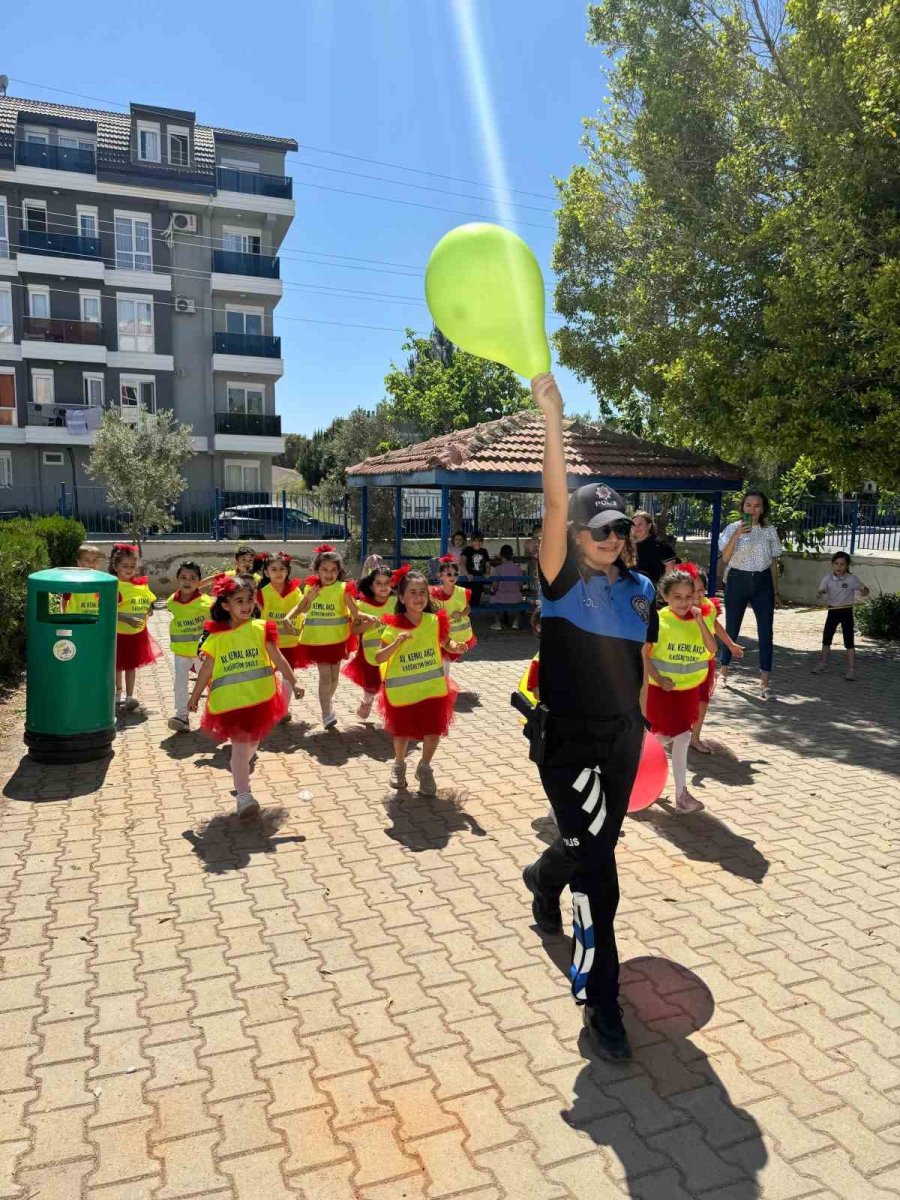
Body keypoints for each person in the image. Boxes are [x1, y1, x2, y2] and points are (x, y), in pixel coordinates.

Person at [521, 373, 657, 1063]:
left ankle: (544, 876)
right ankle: (601, 1003)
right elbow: (550, 500)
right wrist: (553, 420)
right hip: (568, 743)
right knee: (600, 875)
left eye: (619, 526)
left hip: (623, 743)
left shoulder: (641, 591)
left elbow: (638, 674)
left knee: (590, 851)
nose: (612, 536)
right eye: (598, 528)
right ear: (576, 535)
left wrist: (648, 731)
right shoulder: (562, 582)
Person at [189, 575, 301, 819]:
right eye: (239, 600)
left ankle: (240, 772)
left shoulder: (261, 628)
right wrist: (195, 697)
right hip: (231, 704)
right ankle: (243, 796)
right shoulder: (216, 638)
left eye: (250, 599)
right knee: (239, 749)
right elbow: (206, 669)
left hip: (259, 700)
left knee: (251, 745)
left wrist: (293, 681)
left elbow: (279, 658)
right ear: (226, 605)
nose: (246, 605)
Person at [375, 567, 468, 795]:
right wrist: (396, 643)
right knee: (402, 731)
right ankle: (399, 765)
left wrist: (457, 646)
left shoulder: (435, 620)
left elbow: (447, 643)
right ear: (402, 597)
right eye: (413, 592)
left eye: (423, 592)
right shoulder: (393, 625)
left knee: (434, 731)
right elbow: (378, 657)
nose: (419, 598)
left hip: (433, 690)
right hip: (403, 693)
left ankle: (425, 767)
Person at [643, 569, 719, 812]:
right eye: (678, 597)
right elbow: (644, 656)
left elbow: (712, 649)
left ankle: (677, 793)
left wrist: (699, 621)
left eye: (689, 596)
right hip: (661, 692)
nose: (685, 602)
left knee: (679, 737)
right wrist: (658, 678)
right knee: (666, 738)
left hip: (687, 691)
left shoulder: (700, 618)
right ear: (665, 596)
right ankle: (647, 783)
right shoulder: (658, 620)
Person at [286, 544, 361, 729]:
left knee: (334, 678)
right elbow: (302, 606)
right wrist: (289, 617)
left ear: (339, 571)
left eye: (333, 570)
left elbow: (355, 611)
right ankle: (326, 713)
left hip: (336, 640)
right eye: (325, 569)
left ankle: (328, 703)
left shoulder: (343, 589)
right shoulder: (311, 588)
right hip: (317, 640)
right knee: (325, 677)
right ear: (317, 571)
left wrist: (367, 619)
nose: (329, 574)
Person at [718, 490, 783, 699]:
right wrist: (737, 535)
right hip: (738, 580)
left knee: (766, 632)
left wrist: (775, 590)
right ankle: (724, 670)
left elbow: (773, 562)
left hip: (762, 582)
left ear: (763, 509)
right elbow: (726, 558)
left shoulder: (770, 530)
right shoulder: (732, 528)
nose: (752, 510)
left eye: (757, 506)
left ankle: (765, 681)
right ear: (742, 507)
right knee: (732, 628)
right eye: (748, 505)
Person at [688, 565, 743, 753]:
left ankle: (695, 737)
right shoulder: (677, 610)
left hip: (705, 663)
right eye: (692, 591)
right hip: (681, 664)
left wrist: (730, 644)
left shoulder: (710, 606)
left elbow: (716, 625)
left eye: (701, 590)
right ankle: (676, 734)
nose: (697, 595)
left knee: (702, 701)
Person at [109, 543, 160, 714]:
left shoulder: (140, 585)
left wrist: (149, 610)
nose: (130, 569)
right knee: (117, 666)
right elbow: (107, 612)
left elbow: (149, 603)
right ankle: (117, 693)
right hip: (119, 634)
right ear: (115, 567)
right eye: (125, 566)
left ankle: (130, 696)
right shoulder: (114, 586)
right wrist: (126, 618)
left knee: (131, 666)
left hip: (137, 633)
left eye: (132, 566)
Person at [342, 561, 396, 718]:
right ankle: (367, 701)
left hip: (393, 651)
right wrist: (367, 626)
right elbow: (354, 629)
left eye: (387, 583)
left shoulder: (396, 602)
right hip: (370, 654)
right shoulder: (362, 606)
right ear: (371, 586)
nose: (383, 587)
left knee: (392, 683)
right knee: (371, 684)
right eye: (378, 583)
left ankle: (391, 713)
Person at [165, 560, 213, 733]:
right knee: (180, 683)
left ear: (199, 582)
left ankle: (215, 713)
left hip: (202, 652)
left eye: (193, 578)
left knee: (208, 682)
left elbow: (215, 622)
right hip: (180, 651)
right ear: (177, 579)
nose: (188, 581)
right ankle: (181, 716)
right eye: (183, 577)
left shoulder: (206, 603)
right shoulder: (172, 602)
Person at [257, 552, 306, 715]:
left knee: (288, 676)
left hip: (291, 641)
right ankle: (269, 703)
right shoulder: (262, 592)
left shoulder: (295, 591)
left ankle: (283, 709)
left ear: (288, 571)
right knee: (267, 675)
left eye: (282, 569)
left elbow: (301, 610)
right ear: (266, 572)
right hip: (269, 643)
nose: (278, 573)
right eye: (274, 569)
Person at [813, 551, 869, 680]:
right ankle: (823, 663)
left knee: (849, 641)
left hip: (846, 611)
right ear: (832, 564)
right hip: (833, 611)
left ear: (847, 566)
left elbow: (864, 591)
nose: (839, 566)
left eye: (842, 564)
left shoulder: (852, 579)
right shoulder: (827, 579)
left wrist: (865, 591)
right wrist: (820, 594)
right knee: (826, 638)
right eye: (836, 564)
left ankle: (851, 669)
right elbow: (820, 592)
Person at [430, 555, 476, 671]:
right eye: (449, 574)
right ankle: (442, 682)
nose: (453, 577)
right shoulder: (434, 594)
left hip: (459, 635)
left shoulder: (462, 592)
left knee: (445, 660)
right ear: (440, 576)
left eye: (456, 574)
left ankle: (444, 682)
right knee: (441, 660)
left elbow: (468, 608)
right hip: (442, 634)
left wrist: (461, 614)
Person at [631, 511, 678, 587]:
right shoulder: (628, 546)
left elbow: (670, 565)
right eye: (634, 525)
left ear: (649, 526)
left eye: (640, 524)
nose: (637, 527)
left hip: (654, 590)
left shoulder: (659, 545)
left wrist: (662, 589)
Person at [488, 545, 526, 630]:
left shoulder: (498, 568)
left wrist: (494, 591)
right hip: (516, 598)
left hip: (500, 598)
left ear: (501, 555)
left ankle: (498, 622)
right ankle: (516, 622)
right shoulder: (518, 568)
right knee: (522, 602)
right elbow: (521, 585)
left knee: (491, 600)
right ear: (512, 555)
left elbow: (494, 587)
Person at [62, 543, 103, 617]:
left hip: (94, 623)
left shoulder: (103, 582)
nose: (91, 563)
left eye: (95, 560)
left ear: (99, 562)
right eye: (87, 560)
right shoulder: (73, 581)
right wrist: (62, 616)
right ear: (79, 562)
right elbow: (64, 599)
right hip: (74, 622)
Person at [461, 531, 491, 606]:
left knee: (476, 601)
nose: (477, 543)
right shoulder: (467, 549)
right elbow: (462, 562)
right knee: (466, 603)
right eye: (475, 541)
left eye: (480, 541)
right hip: (468, 581)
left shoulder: (484, 551)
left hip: (479, 581)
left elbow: (488, 564)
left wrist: (487, 573)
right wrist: (467, 574)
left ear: (482, 542)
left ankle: (472, 617)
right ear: (471, 541)